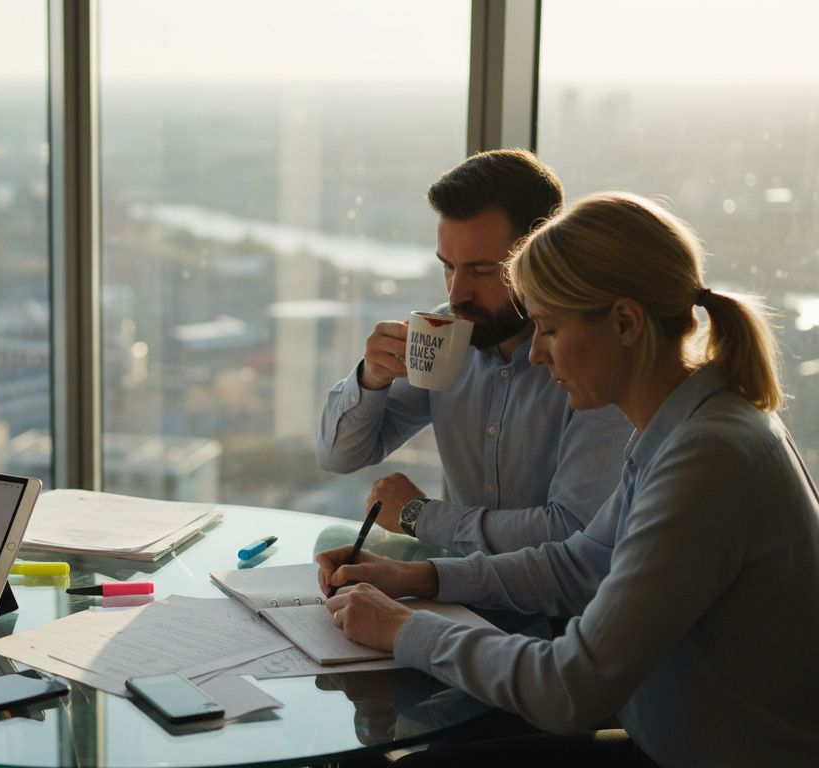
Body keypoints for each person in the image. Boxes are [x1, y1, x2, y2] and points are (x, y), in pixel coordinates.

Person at [318, 192, 819, 767]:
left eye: (549, 329)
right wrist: (419, 576)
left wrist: (403, 628)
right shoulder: (690, 424)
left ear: (626, 322)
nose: (534, 356)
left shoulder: (708, 457)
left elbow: (570, 690)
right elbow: (582, 561)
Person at [317, 150, 631, 555]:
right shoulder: (445, 334)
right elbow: (338, 456)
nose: (456, 293)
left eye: (483, 271)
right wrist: (370, 379)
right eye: (448, 266)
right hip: (460, 589)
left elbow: (572, 535)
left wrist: (419, 515)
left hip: (553, 612)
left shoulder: (589, 359)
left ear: (543, 254)